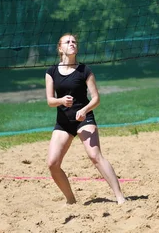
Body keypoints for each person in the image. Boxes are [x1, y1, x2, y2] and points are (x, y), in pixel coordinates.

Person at [45, 33, 126, 204]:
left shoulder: (85, 70)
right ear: (60, 48)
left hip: (84, 118)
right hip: (64, 122)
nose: (72, 44)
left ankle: (120, 197)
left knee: (95, 155)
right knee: (52, 163)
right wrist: (61, 100)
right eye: (68, 42)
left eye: (74, 41)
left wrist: (84, 109)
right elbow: (50, 101)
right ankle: (71, 200)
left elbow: (96, 98)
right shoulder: (51, 72)